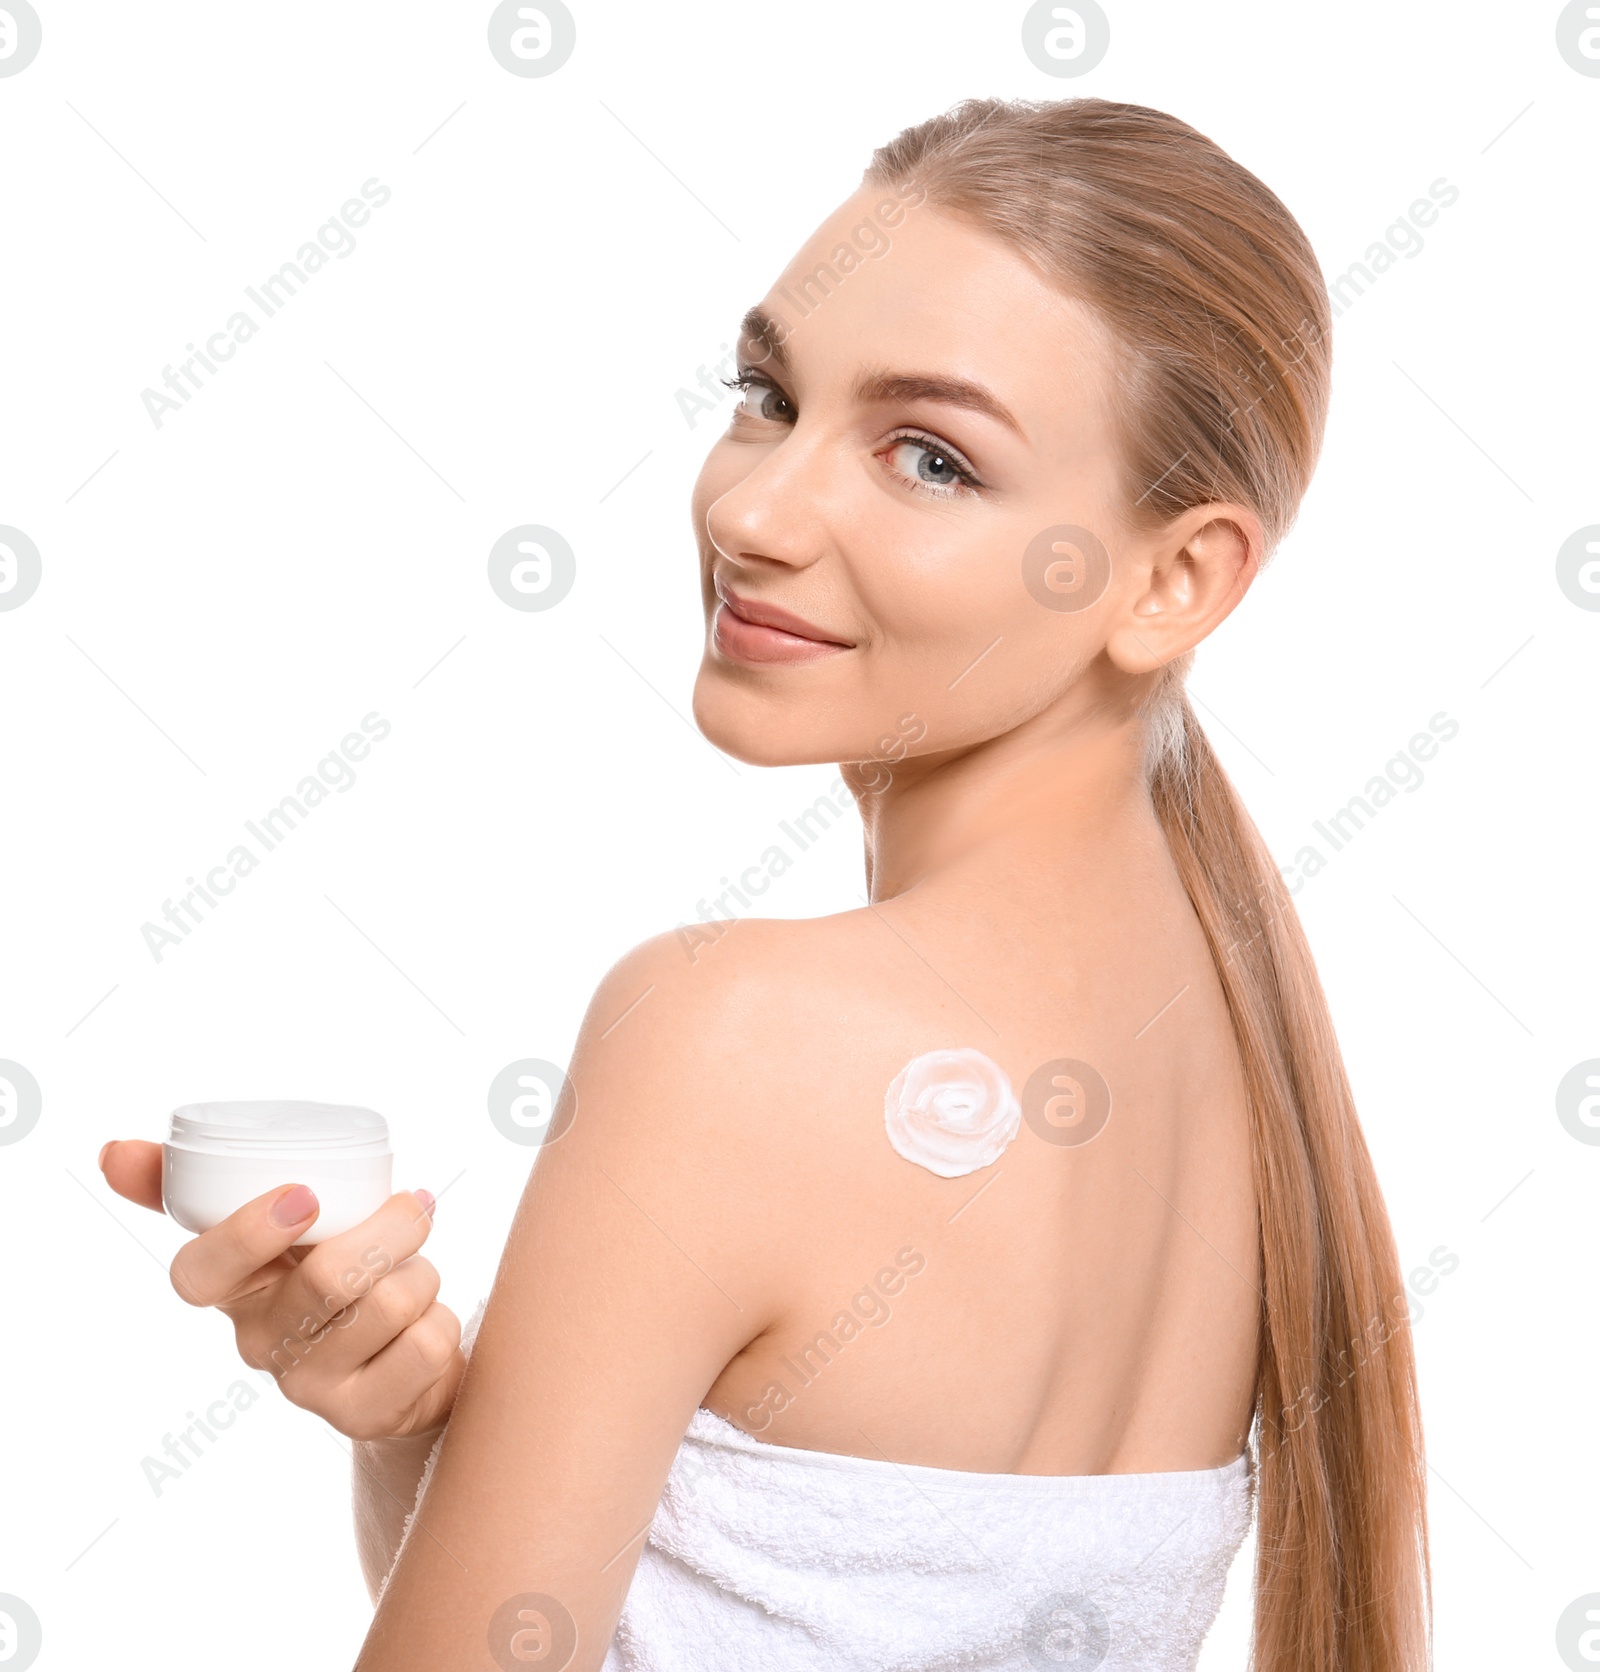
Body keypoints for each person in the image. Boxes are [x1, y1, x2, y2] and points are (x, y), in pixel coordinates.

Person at [100, 95, 1431, 1671]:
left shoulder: (728, 1031)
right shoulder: (1245, 1056)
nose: (752, 509)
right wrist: (414, 1426)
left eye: (929, 458)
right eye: (768, 395)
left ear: (1172, 580)